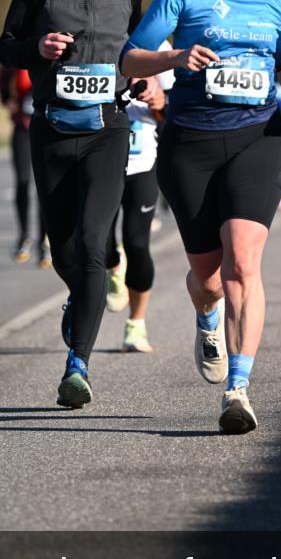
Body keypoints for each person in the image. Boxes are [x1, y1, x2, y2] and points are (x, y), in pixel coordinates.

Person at [120, 0, 281, 435]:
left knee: (243, 265)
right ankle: (206, 318)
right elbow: (131, 57)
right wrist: (176, 55)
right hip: (190, 142)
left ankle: (238, 388)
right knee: (207, 278)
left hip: (259, 136)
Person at [0, 0, 147, 409]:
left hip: (108, 128)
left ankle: (77, 365)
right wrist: (36, 47)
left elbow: (136, 47)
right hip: (53, 130)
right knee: (64, 250)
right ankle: (81, 293)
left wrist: (147, 78)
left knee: (91, 247)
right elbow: (5, 46)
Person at [105, 46, 173, 352]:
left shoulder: (159, 44)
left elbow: (178, 103)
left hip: (143, 158)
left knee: (137, 242)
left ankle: (136, 326)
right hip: (100, 156)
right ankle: (113, 264)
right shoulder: (94, 25)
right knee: (98, 243)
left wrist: (160, 102)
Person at [0, 66, 51, 266]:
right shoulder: (20, 50)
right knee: (22, 181)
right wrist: (6, 98)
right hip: (23, 128)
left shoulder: (54, 46)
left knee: (44, 186)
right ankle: (24, 236)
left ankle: (45, 243)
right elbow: (3, 75)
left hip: (49, 127)